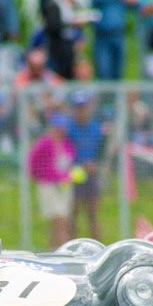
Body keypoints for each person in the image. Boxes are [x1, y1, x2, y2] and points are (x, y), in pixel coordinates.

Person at [29, 113, 76, 249]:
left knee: (60, 222)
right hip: (49, 185)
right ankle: (65, 252)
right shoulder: (45, 143)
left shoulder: (66, 144)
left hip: (64, 186)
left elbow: (68, 163)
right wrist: (43, 176)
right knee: (59, 220)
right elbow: (33, 162)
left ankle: (53, 250)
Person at [67, 91, 105, 241]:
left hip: (92, 172)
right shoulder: (69, 128)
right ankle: (72, 247)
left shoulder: (96, 127)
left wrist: (95, 164)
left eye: (83, 107)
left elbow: (102, 151)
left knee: (93, 213)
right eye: (77, 108)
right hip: (75, 172)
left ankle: (97, 246)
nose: (80, 111)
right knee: (73, 212)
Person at [90, 0, 139, 80]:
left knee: (118, 71)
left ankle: (117, 94)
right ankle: (104, 94)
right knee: (103, 69)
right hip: (102, 36)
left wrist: (132, 0)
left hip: (118, 35)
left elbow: (136, 4)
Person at [42, 0, 91, 79]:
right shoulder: (52, 1)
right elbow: (52, 26)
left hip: (70, 49)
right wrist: (72, 23)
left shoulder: (72, 3)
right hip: (57, 50)